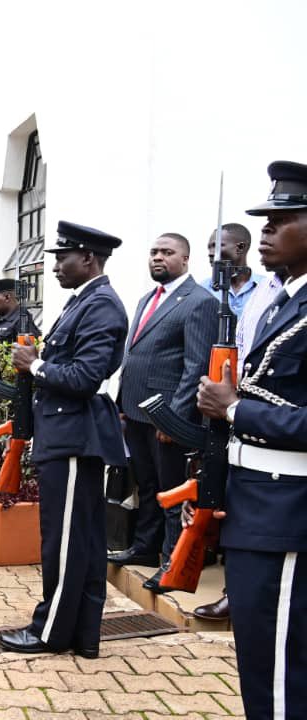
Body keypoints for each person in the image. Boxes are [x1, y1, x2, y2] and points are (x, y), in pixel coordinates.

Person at [193, 161, 307, 718]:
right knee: (260, 659)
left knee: (283, 665)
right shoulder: (285, 301)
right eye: (263, 220)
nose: (263, 231)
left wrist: (235, 407)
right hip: (257, 497)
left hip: (288, 505)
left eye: (281, 220)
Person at [0, 222, 128, 659]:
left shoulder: (102, 306)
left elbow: (85, 376)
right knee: (82, 542)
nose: (54, 266)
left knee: (66, 543)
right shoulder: (85, 302)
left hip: (75, 436)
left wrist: (35, 365)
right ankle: (81, 633)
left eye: (62, 257)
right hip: (66, 432)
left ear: (88, 258)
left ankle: (51, 632)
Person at [109, 233, 218, 592]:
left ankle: (173, 565)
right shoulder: (147, 298)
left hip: (168, 418)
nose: (158, 257)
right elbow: (134, 357)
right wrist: (123, 404)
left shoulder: (199, 302)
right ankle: (145, 548)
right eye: (154, 251)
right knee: (148, 486)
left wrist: (175, 419)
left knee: (172, 492)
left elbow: (195, 364)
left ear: (185, 259)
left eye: (167, 252)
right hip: (136, 414)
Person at [193, 259, 288, 622]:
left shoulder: (274, 289)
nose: (268, 232)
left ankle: (233, 593)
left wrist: (233, 407)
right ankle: (228, 587)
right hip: (234, 406)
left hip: (255, 418)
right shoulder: (272, 291)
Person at [202, 223, 265, 316]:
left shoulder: (267, 288)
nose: (210, 253)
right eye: (209, 248)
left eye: (217, 246)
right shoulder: (203, 289)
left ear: (240, 248)